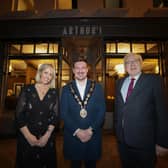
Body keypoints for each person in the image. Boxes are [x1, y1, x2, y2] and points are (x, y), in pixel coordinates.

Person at [114, 52, 168, 168]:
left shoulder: (154, 80)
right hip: (122, 141)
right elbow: (118, 109)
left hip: (145, 143)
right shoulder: (119, 82)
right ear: (125, 67)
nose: (132, 64)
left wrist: (163, 142)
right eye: (128, 62)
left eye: (135, 61)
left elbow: (162, 112)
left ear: (141, 64)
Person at [60, 56, 106, 168]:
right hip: (73, 136)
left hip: (92, 136)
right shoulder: (66, 89)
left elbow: (101, 111)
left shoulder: (97, 87)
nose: (80, 70)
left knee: (91, 165)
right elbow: (64, 113)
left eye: (83, 67)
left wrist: (91, 130)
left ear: (87, 69)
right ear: (73, 70)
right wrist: (77, 131)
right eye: (77, 68)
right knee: (74, 165)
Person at [15, 64, 59, 168]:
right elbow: (19, 114)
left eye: (51, 75)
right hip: (27, 137)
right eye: (46, 72)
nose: (47, 76)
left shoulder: (54, 93)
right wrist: (28, 136)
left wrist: (46, 136)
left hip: (47, 139)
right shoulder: (27, 89)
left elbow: (55, 116)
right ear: (40, 73)